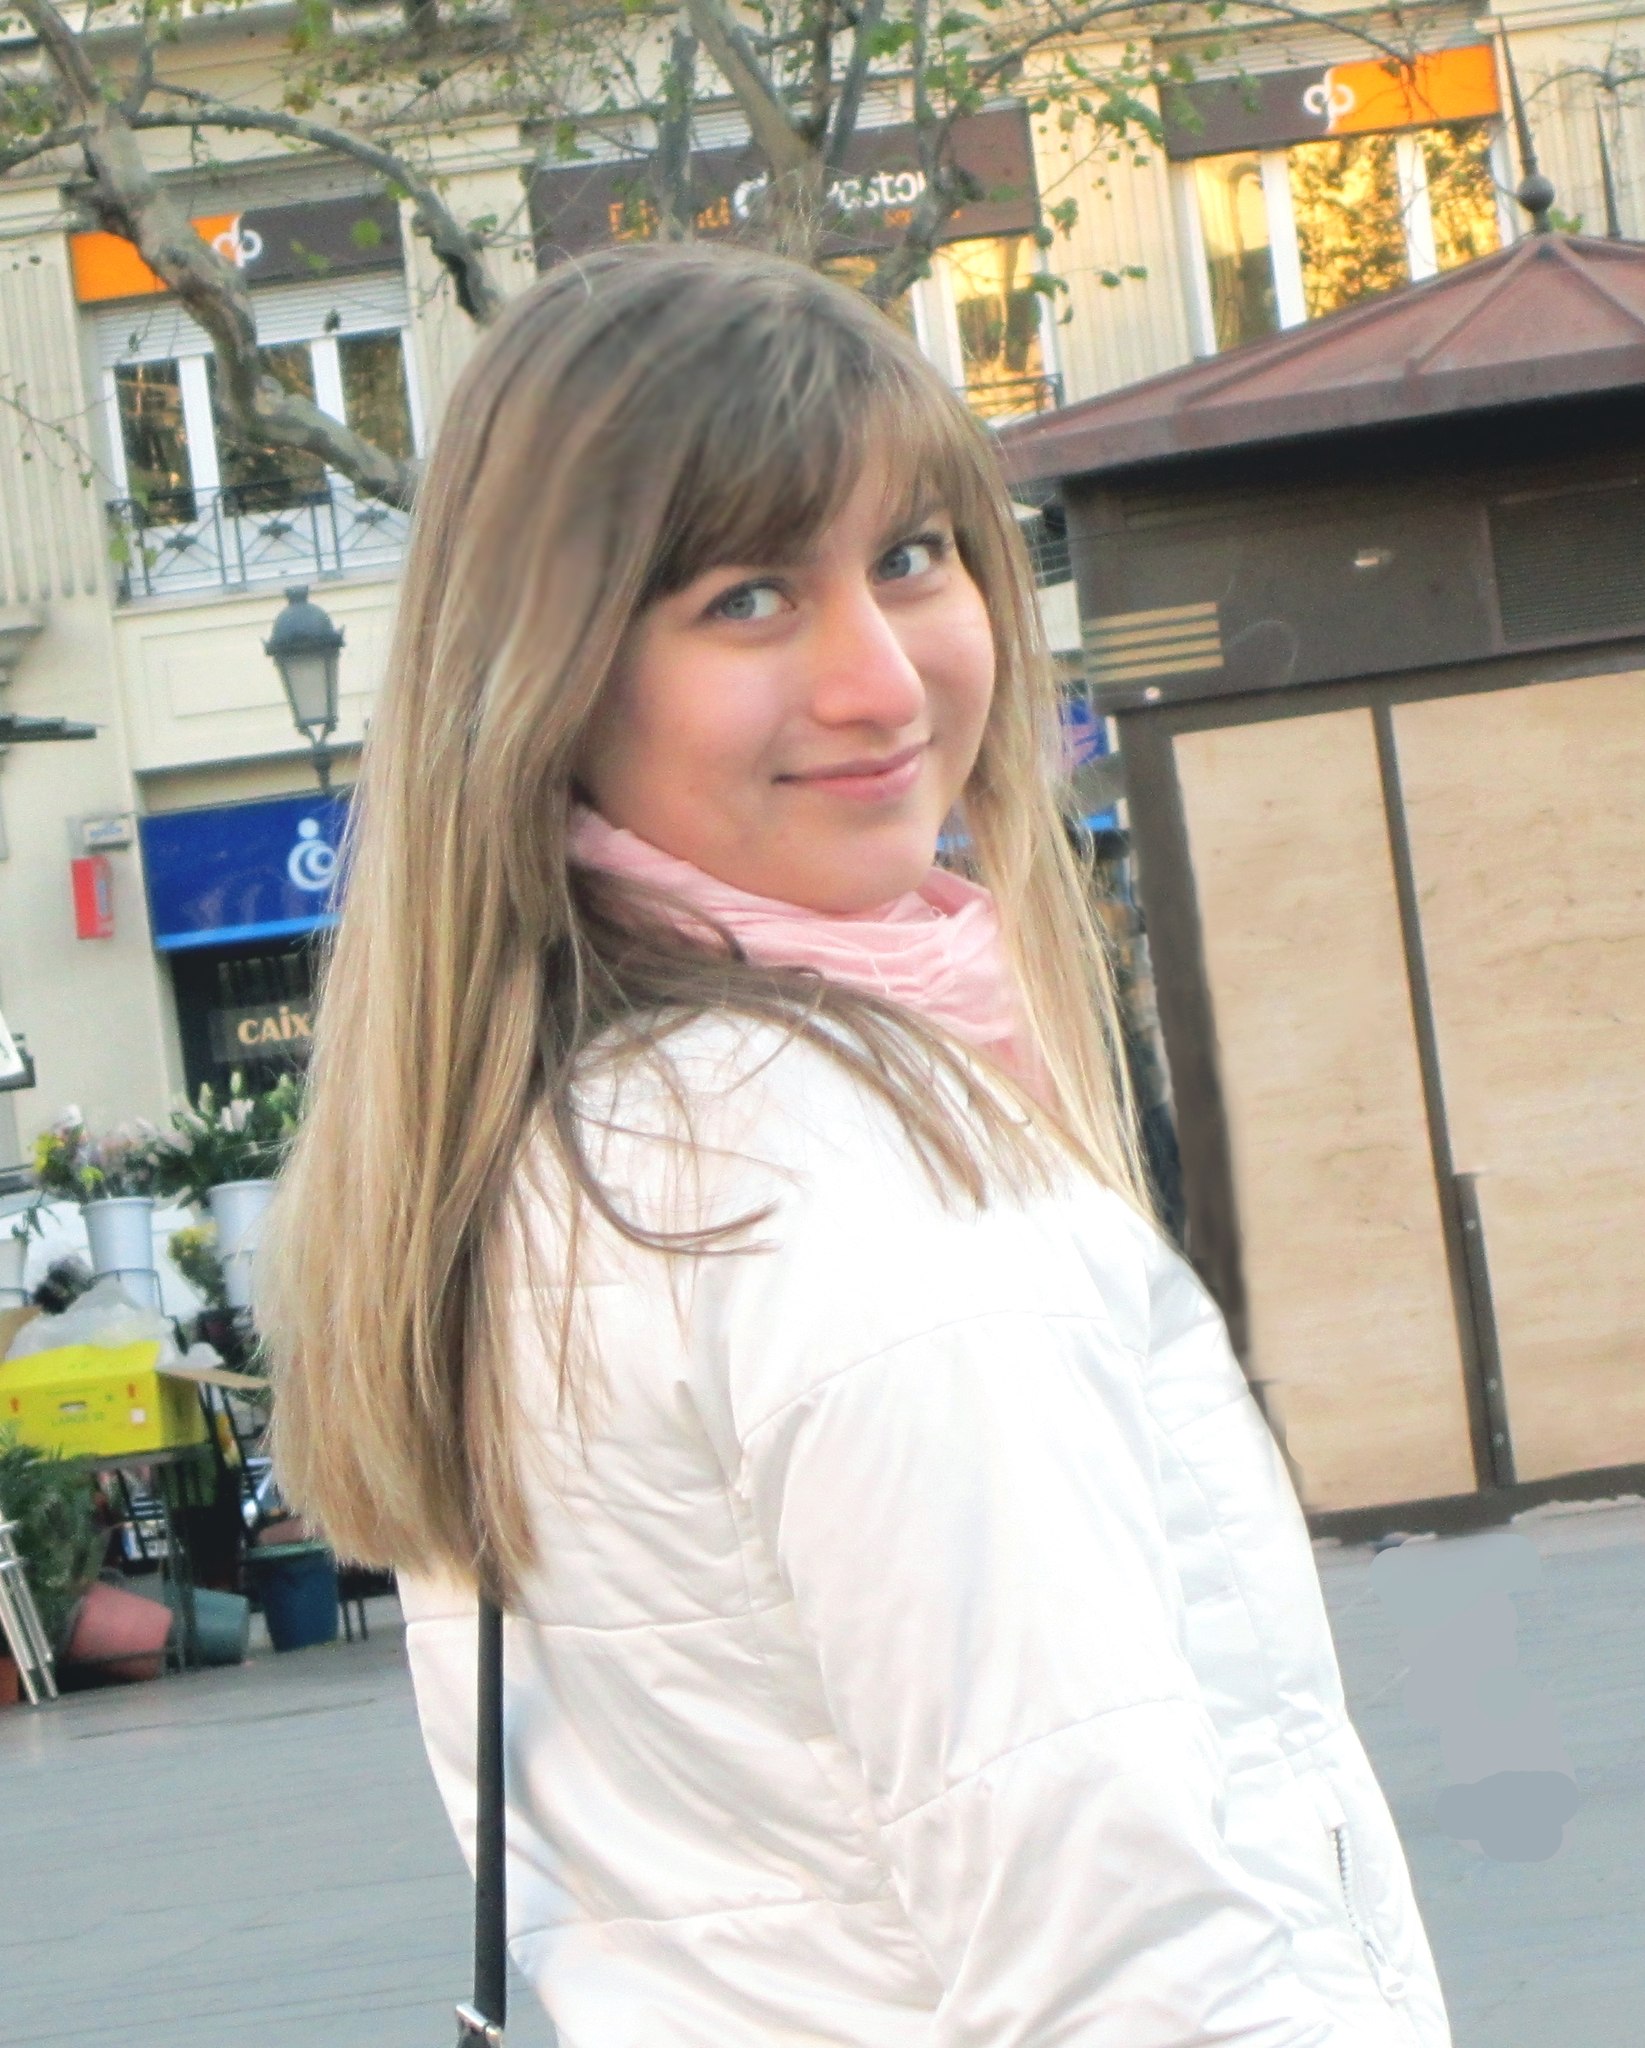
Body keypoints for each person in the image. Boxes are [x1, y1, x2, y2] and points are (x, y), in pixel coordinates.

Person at [262, 245, 1450, 2048]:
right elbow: (1121, 1961)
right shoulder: (846, 1174)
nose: (881, 682)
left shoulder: (543, 1139)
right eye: (747, 597)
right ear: (554, 676)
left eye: (910, 556)